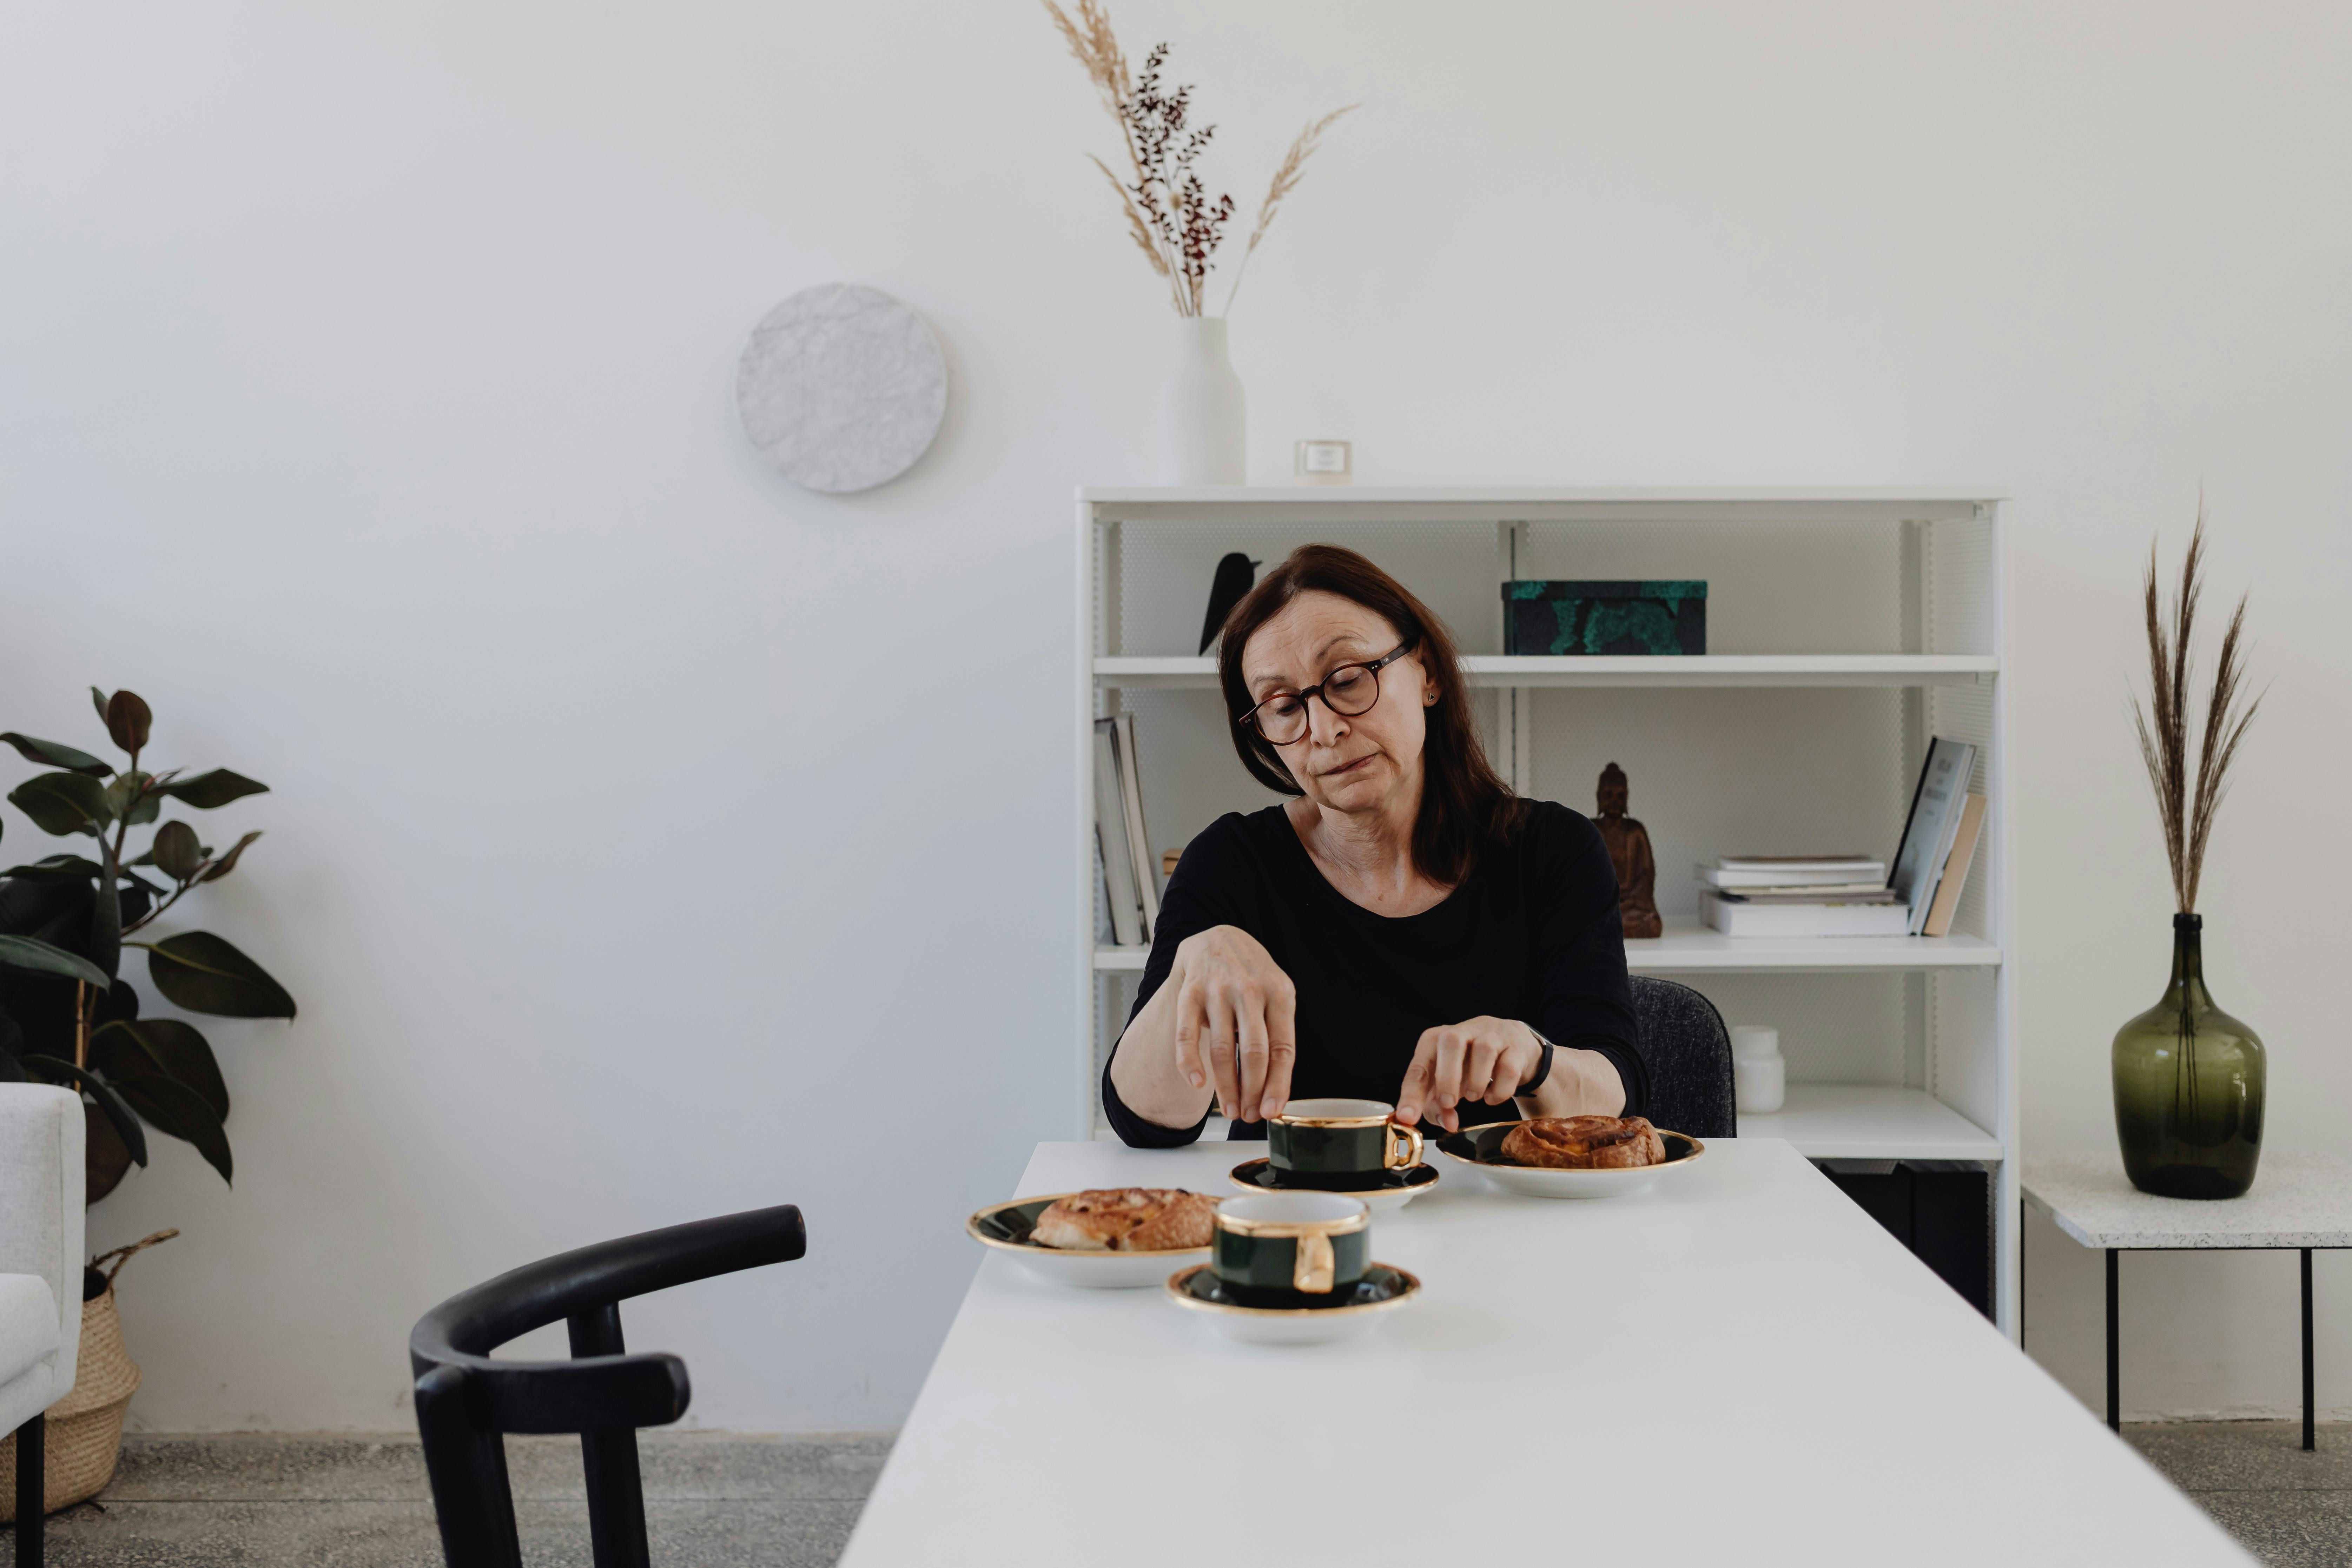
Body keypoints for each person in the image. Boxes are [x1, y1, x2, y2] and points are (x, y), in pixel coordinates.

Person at [1104, 544, 1646, 1146]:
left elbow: (1616, 1091)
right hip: (1299, 1222)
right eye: (1284, 707)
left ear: (1428, 673)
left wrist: (1535, 1058)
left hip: (1500, 1218)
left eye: (1348, 679)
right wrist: (1191, 968)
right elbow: (1144, 1122)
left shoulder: (1552, 851)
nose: (1327, 729)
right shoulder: (1231, 863)